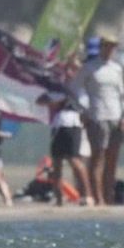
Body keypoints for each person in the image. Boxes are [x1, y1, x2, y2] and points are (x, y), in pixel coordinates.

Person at [76, 35, 124, 206]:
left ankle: (109, 194)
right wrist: (84, 110)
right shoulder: (89, 68)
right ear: (101, 47)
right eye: (107, 46)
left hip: (116, 116)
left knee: (112, 159)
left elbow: (121, 94)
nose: (110, 50)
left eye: (113, 47)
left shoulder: (117, 69)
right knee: (98, 157)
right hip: (98, 115)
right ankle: (98, 196)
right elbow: (77, 89)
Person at [37, 59, 92, 206]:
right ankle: (58, 197)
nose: (70, 72)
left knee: (75, 160)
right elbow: (43, 99)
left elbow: (83, 105)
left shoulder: (81, 89)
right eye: (68, 69)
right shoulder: (59, 87)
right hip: (59, 124)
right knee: (57, 162)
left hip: (72, 124)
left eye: (74, 69)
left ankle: (87, 194)